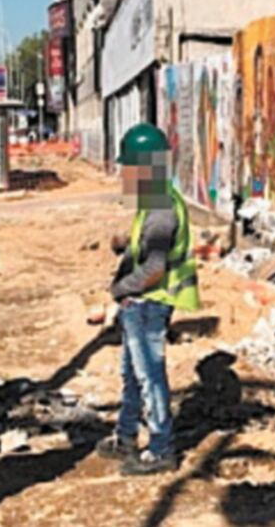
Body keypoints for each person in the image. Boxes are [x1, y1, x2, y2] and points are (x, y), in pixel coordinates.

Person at [97, 123, 200, 476]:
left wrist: (119, 291)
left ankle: (160, 448)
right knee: (131, 374)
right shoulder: (155, 199)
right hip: (140, 304)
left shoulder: (161, 207)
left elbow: (155, 266)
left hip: (150, 303)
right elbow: (149, 244)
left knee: (149, 376)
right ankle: (126, 435)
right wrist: (125, 243)